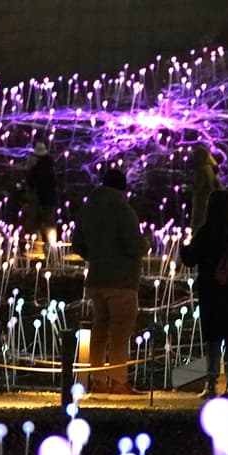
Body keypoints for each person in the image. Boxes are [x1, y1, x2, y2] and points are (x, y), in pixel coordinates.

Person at [74, 167, 146, 395]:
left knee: (99, 331)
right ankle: (118, 381)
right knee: (120, 333)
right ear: (123, 188)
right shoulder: (123, 210)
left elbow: (77, 244)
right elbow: (133, 246)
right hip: (122, 281)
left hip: (96, 279)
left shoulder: (88, 209)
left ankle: (97, 380)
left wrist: (97, 257)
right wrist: (147, 243)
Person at [180, 190, 228, 399]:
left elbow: (190, 259)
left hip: (211, 289)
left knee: (212, 338)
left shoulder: (206, 232)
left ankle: (210, 384)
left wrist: (184, 247)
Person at [25, 141, 58, 249]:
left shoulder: (37, 167)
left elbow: (30, 182)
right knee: (50, 225)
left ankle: (38, 248)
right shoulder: (51, 165)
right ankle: (51, 248)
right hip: (51, 199)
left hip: (40, 199)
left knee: (37, 224)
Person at [189, 144, 220, 230]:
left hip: (201, 200)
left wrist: (187, 188)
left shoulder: (201, 169)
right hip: (209, 199)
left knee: (199, 223)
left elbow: (199, 186)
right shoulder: (211, 168)